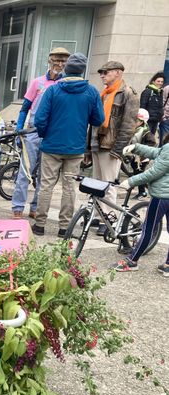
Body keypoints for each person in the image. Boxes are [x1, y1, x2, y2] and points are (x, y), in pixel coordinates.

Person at [32, 53, 104, 237]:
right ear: (82, 71)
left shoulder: (53, 90)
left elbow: (40, 119)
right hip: (75, 147)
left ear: (66, 69)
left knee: (46, 185)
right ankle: (64, 227)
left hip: (51, 146)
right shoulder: (91, 91)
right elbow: (99, 119)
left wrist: (45, 134)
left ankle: (40, 225)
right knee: (69, 187)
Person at [12, 47, 70, 219]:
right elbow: (25, 108)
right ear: (49, 61)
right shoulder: (37, 82)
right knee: (25, 171)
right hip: (32, 132)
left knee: (45, 176)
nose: (59, 65)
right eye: (56, 61)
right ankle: (17, 207)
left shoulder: (65, 83)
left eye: (63, 62)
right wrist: (19, 129)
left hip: (52, 134)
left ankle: (36, 207)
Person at [89, 60, 139, 237]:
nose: (102, 75)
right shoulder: (104, 93)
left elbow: (128, 125)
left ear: (118, 72)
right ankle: (97, 215)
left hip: (111, 146)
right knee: (95, 183)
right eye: (101, 72)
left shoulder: (127, 93)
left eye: (106, 72)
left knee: (108, 185)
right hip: (97, 143)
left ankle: (109, 219)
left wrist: (118, 150)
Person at [114, 134, 169, 273]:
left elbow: (154, 172)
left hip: (162, 196)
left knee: (148, 229)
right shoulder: (167, 149)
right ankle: (168, 265)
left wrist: (131, 181)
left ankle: (132, 261)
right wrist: (136, 148)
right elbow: (157, 152)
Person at [125, 108, 157, 200]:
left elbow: (152, 143)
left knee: (139, 174)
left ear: (142, 121)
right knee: (137, 173)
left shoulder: (145, 131)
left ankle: (142, 191)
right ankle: (145, 188)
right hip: (135, 157)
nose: (134, 122)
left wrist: (142, 150)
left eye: (137, 120)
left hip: (143, 157)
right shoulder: (134, 130)